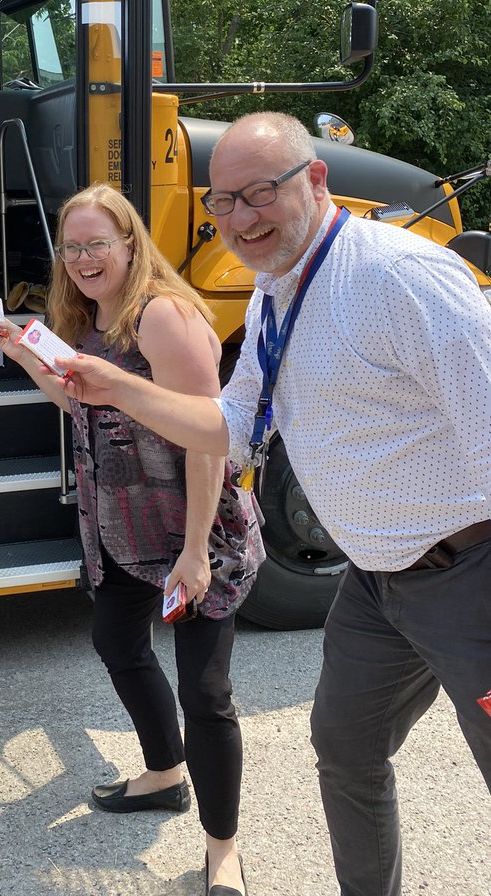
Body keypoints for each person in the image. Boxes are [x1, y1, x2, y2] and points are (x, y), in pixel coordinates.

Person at [60, 114, 491, 896]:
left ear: (316, 181)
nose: (241, 218)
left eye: (260, 193)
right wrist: (116, 385)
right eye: (223, 202)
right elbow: (226, 424)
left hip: (468, 572)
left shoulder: (397, 276)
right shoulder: (274, 293)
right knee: (347, 751)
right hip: (375, 578)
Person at [0, 184, 264, 896]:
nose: (82, 258)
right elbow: (82, 399)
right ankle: (166, 772)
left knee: (206, 694)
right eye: (71, 246)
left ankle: (222, 849)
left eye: (96, 244)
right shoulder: (87, 317)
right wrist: (26, 356)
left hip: (191, 532)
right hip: (117, 528)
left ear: (130, 245)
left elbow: (210, 441)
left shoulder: (160, 318)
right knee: (117, 645)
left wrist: (197, 551)